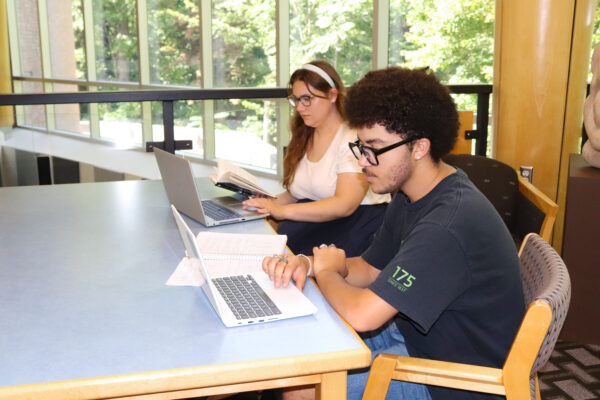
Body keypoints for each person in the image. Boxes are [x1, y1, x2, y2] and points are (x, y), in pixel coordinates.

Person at [261, 67, 526, 400]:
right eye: (360, 147)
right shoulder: (411, 193)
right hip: (415, 337)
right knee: (296, 350)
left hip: (454, 380)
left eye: (374, 148)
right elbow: (371, 268)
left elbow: (362, 315)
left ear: (418, 147)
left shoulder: (447, 224)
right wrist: (310, 265)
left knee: (301, 389)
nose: (363, 162)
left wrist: (327, 272)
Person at [243, 60, 389, 257]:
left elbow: (344, 205)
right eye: (296, 100)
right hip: (319, 220)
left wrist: (281, 211)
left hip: (356, 223)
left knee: (284, 257)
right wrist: (265, 203)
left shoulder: (353, 138)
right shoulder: (305, 134)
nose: (301, 108)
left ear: (332, 95)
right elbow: (297, 193)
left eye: (307, 99)